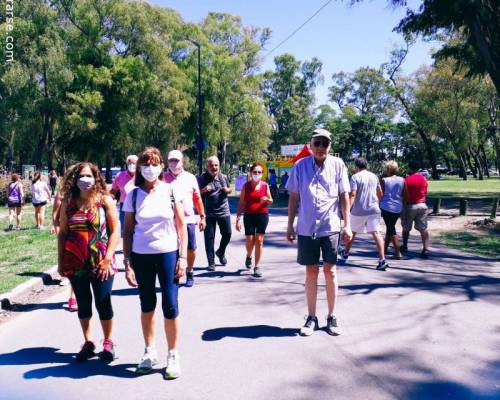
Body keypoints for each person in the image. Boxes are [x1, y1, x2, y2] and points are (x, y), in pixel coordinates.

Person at [123, 147, 188, 379]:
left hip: (168, 254)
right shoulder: (132, 194)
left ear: (161, 166)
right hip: (141, 256)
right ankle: (150, 352)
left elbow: (181, 226)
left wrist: (182, 257)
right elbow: (128, 231)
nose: (150, 167)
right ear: (140, 167)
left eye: (155, 163)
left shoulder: (171, 190)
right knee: (147, 304)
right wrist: (127, 262)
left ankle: (173, 354)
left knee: (170, 305)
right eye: (146, 163)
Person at [286, 128, 352, 337]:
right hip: (306, 227)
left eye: (325, 143)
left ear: (329, 146)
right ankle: (311, 317)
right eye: (318, 143)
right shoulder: (300, 166)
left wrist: (347, 224)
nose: (321, 147)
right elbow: (294, 197)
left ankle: (331, 317)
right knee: (311, 271)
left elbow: (344, 195)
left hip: (330, 226)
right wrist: (290, 225)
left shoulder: (338, 165)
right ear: (310, 145)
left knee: (330, 271)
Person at [57, 162, 119, 363]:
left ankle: (108, 342)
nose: (85, 180)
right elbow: (63, 233)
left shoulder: (104, 201)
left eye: (89, 176)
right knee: (83, 304)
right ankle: (88, 342)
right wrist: (60, 261)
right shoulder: (68, 203)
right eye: (81, 176)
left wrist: (108, 258)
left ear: (96, 178)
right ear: (75, 180)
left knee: (103, 302)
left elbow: (115, 230)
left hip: (101, 261)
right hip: (75, 262)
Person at [164, 149, 206, 288]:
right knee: (172, 248)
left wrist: (202, 216)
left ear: (182, 162)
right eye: (171, 160)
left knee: (191, 248)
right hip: (169, 220)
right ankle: (173, 274)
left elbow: (197, 199)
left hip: (188, 219)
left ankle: (190, 271)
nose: (173, 163)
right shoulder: (162, 178)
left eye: (176, 160)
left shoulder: (190, 178)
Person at [340, 157, 388, 271]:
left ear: (356, 166)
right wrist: (377, 202)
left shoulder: (355, 177)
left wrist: (347, 209)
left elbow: (353, 194)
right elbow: (380, 193)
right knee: (376, 233)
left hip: (358, 210)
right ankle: (382, 260)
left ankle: (346, 254)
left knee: (352, 232)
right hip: (374, 209)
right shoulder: (374, 176)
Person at [235, 163, 273, 278]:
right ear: (251, 173)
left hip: (262, 215)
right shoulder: (246, 186)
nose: (257, 174)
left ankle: (257, 267)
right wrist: (238, 219)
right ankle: (249, 255)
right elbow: (241, 203)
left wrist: (266, 199)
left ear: (262, 174)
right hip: (249, 215)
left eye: (259, 172)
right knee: (249, 240)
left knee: (259, 241)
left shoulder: (265, 186)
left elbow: (271, 201)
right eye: (255, 172)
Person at [198, 156, 232, 271]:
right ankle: (211, 262)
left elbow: (229, 189)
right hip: (209, 213)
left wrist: (228, 190)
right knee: (209, 238)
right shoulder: (202, 179)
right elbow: (196, 194)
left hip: (224, 211)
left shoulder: (224, 177)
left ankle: (220, 252)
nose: (214, 167)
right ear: (207, 166)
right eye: (212, 165)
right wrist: (204, 190)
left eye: (216, 165)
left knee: (227, 234)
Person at [52, 187, 78, 312]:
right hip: (67, 235)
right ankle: (73, 296)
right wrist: (59, 232)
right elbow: (55, 216)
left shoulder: (89, 192)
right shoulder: (62, 193)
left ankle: (76, 295)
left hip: (82, 237)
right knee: (73, 269)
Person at [401, 160, 430, 258]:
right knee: (423, 228)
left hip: (410, 205)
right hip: (422, 205)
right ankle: (425, 249)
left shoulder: (407, 179)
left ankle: (404, 246)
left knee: (406, 228)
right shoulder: (424, 179)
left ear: (410, 167)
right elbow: (425, 192)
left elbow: (404, 194)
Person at [379, 161, 405, 259]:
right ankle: (384, 248)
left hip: (386, 206)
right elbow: (405, 194)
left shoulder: (384, 180)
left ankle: (397, 252)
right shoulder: (402, 180)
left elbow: (380, 194)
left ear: (387, 169)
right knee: (390, 227)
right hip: (398, 207)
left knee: (391, 228)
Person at [111, 155, 138, 236]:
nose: (132, 165)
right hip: (124, 207)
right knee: (125, 230)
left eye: (134, 163)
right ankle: (126, 247)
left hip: (139, 205)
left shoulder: (143, 176)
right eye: (130, 163)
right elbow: (113, 190)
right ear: (127, 164)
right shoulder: (119, 176)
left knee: (139, 229)